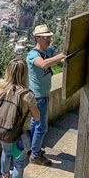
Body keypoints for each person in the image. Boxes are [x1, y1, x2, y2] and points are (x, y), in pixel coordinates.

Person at [0, 59, 40, 178]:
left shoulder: (0, 86)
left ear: (8, 71)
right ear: (25, 74)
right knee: (19, 163)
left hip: (2, 129)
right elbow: (37, 117)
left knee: (5, 153)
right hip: (20, 134)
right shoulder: (27, 95)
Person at [26, 24, 66, 166]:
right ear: (37, 38)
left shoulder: (48, 51)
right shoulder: (32, 55)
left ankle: (33, 149)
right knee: (42, 127)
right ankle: (35, 156)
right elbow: (42, 64)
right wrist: (61, 56)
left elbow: (56, 59)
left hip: (42, 94)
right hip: (37, 97)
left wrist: (62, 58)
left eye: (49, 37)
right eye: (45, 37)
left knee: (35, 124)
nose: (49, 39)